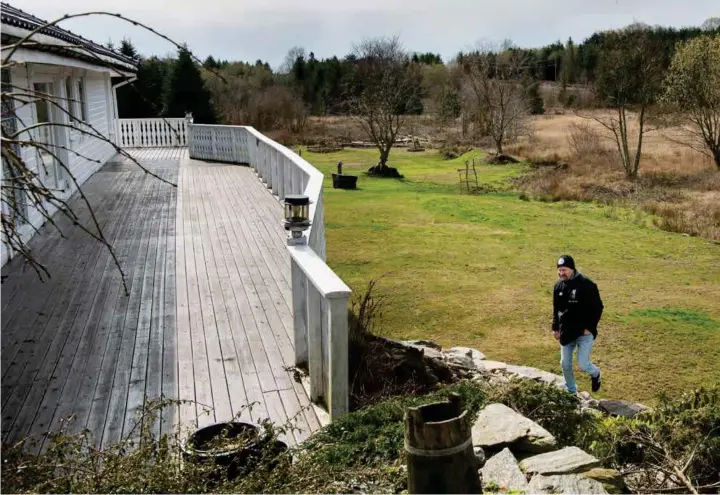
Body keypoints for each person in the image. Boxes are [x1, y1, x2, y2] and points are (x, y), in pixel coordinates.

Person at [552, 254, 604, 394]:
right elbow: (556, 309)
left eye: (564, 270)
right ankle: (572, 392)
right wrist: (555, 328)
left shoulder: (587, 284)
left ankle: (596, 374)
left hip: (584, 332)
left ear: (572, 269)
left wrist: (590, 328)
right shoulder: (558, 286)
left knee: (582, 365)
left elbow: (598, 307)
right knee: (565, 364)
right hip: (567, 331)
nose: (561, 273)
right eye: (559, 270)